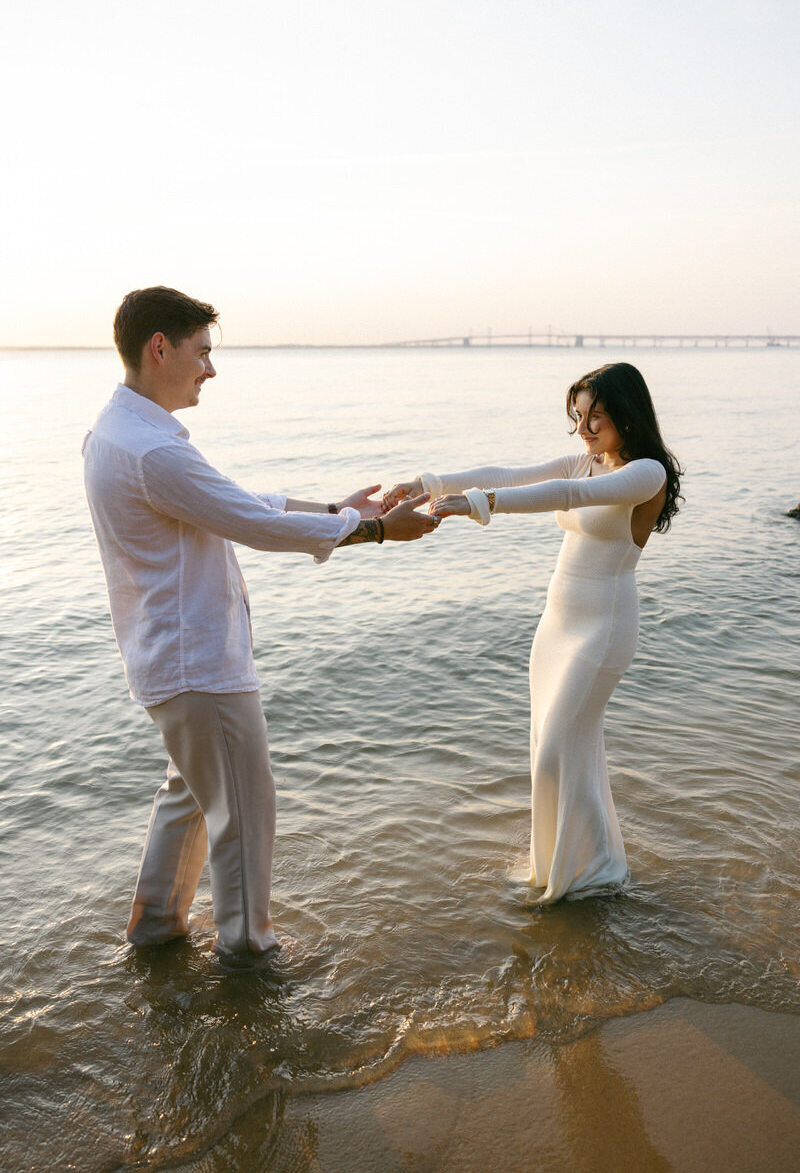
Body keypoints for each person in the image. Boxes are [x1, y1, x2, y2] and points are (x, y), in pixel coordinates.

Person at [83, 286, 436, 966]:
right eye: (203, 352)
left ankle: (154, 933)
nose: (211, 370)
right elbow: (256, 523)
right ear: (161, 348)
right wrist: (378, 530)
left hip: (169, 659)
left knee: (189, 797)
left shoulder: (118, 433)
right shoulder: (153, 452)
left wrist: (336, 507)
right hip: (198, 665)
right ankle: (249, 953)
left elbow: (240, 502)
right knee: (244, 816)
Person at [384, 362, 682, 903]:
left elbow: (565, 496)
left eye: (597, 415)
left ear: (628, 414)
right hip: (557, 624)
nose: (585, 428)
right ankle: (579, 866)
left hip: (603, 627)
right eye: (579, 415)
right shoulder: (587, 461)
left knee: (559, 750)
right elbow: (513, 474)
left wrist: (478, 505)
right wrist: (429, 484)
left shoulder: (647, 473)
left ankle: (588, 873)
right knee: (550, 744)